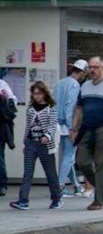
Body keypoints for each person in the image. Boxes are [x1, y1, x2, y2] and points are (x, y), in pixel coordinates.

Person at [70, 56, 103, 211]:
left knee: (101, 164)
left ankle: (98, 200)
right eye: (90, 67)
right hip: (86, 128)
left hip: (102, 128)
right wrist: (74, 128)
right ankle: (101, 185)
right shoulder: (85, 86)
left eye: (95, 67)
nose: (92, 70)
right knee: (82, 161)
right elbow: (79, 108)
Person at [9, 82, 62, 210]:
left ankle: (56, 199)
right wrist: (25, 142)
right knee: (27, 172)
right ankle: (23, 201)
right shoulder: (31, 108)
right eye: (34, 93)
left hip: (45, 145)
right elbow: (28, 126)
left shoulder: (51, 108)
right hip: (31, 143)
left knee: (50, 173)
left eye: (38, 93)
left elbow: (52, 125)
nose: (36, 96)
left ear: (44, 93)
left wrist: (47, 136)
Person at [55, 59, 87, 198]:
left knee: (68, 157)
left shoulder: (59, 83)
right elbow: (70, 107)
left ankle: (76, 185)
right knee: (69, 156)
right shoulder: (75, 85)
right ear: (83, 72)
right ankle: (60, 186)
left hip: (56, 124)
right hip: (67, 125)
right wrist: (72, 128)